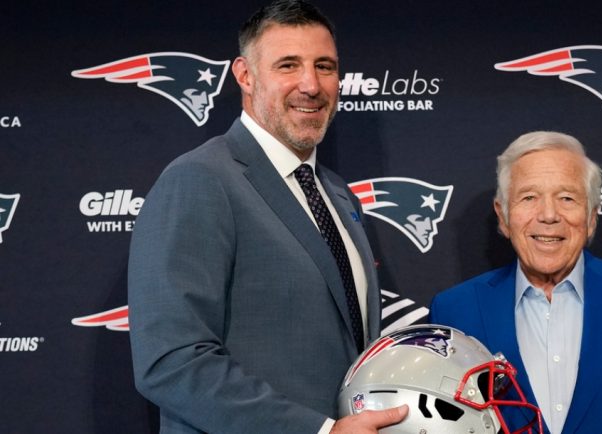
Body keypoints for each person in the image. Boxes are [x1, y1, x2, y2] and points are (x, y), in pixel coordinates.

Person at [127, 1, 407, 433]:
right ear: (245, 75)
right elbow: (171, 360)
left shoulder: (335, 191)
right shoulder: (199, 180)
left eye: (325, 66)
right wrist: (320, 430)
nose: (310, 85)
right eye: (288, 65)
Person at [429, 131, 602, 434]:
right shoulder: (455, 311)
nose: (549, 215)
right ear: (503, 216)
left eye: (567, 198)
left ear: (591, 217)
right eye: (529, 197)